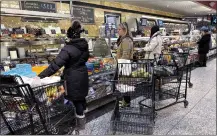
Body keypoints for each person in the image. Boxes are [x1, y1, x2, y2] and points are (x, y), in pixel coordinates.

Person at [38, 20, 89, 131]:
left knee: (76, 100)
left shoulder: (67, 49)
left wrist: (41, 76)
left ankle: (81, 126)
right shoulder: (85, 45)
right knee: (81, 98)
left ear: (69, 36)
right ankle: (83, 120)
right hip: (83, 74)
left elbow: (55, 65)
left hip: (73, 77)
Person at [116, 22, 134, 108]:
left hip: (124, 64)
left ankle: (126, 103)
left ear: (124, 30)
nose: (118, 31)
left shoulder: (126, 40)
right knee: (125, 84)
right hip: (125, 64)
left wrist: (121, 66)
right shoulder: (125, 39)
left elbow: (125, 54)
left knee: (125, 85)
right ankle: (126, 102)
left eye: (119, 29)